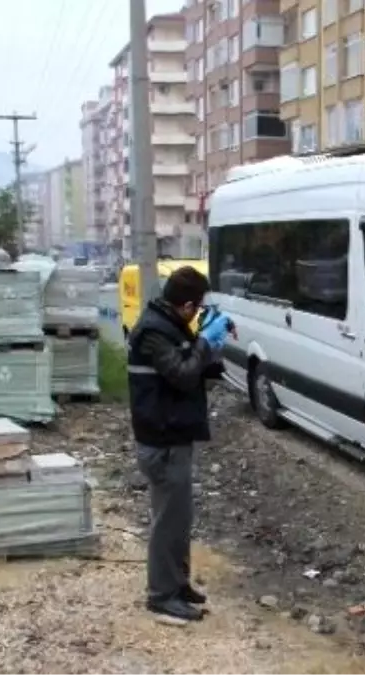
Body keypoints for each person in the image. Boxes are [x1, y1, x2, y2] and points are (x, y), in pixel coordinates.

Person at [125, 265, 233, 626]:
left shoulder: (169, 324)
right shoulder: (153, 331)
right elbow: (183, 374)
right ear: (186, 304)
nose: (198, 313)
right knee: (167, 522)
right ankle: (161, 595)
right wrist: (203, 342)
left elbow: (190, 367)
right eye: (198, 308)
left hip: (174, 436)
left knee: (180, 518)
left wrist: (210, 344)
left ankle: (178, 584)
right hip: (162, 440)